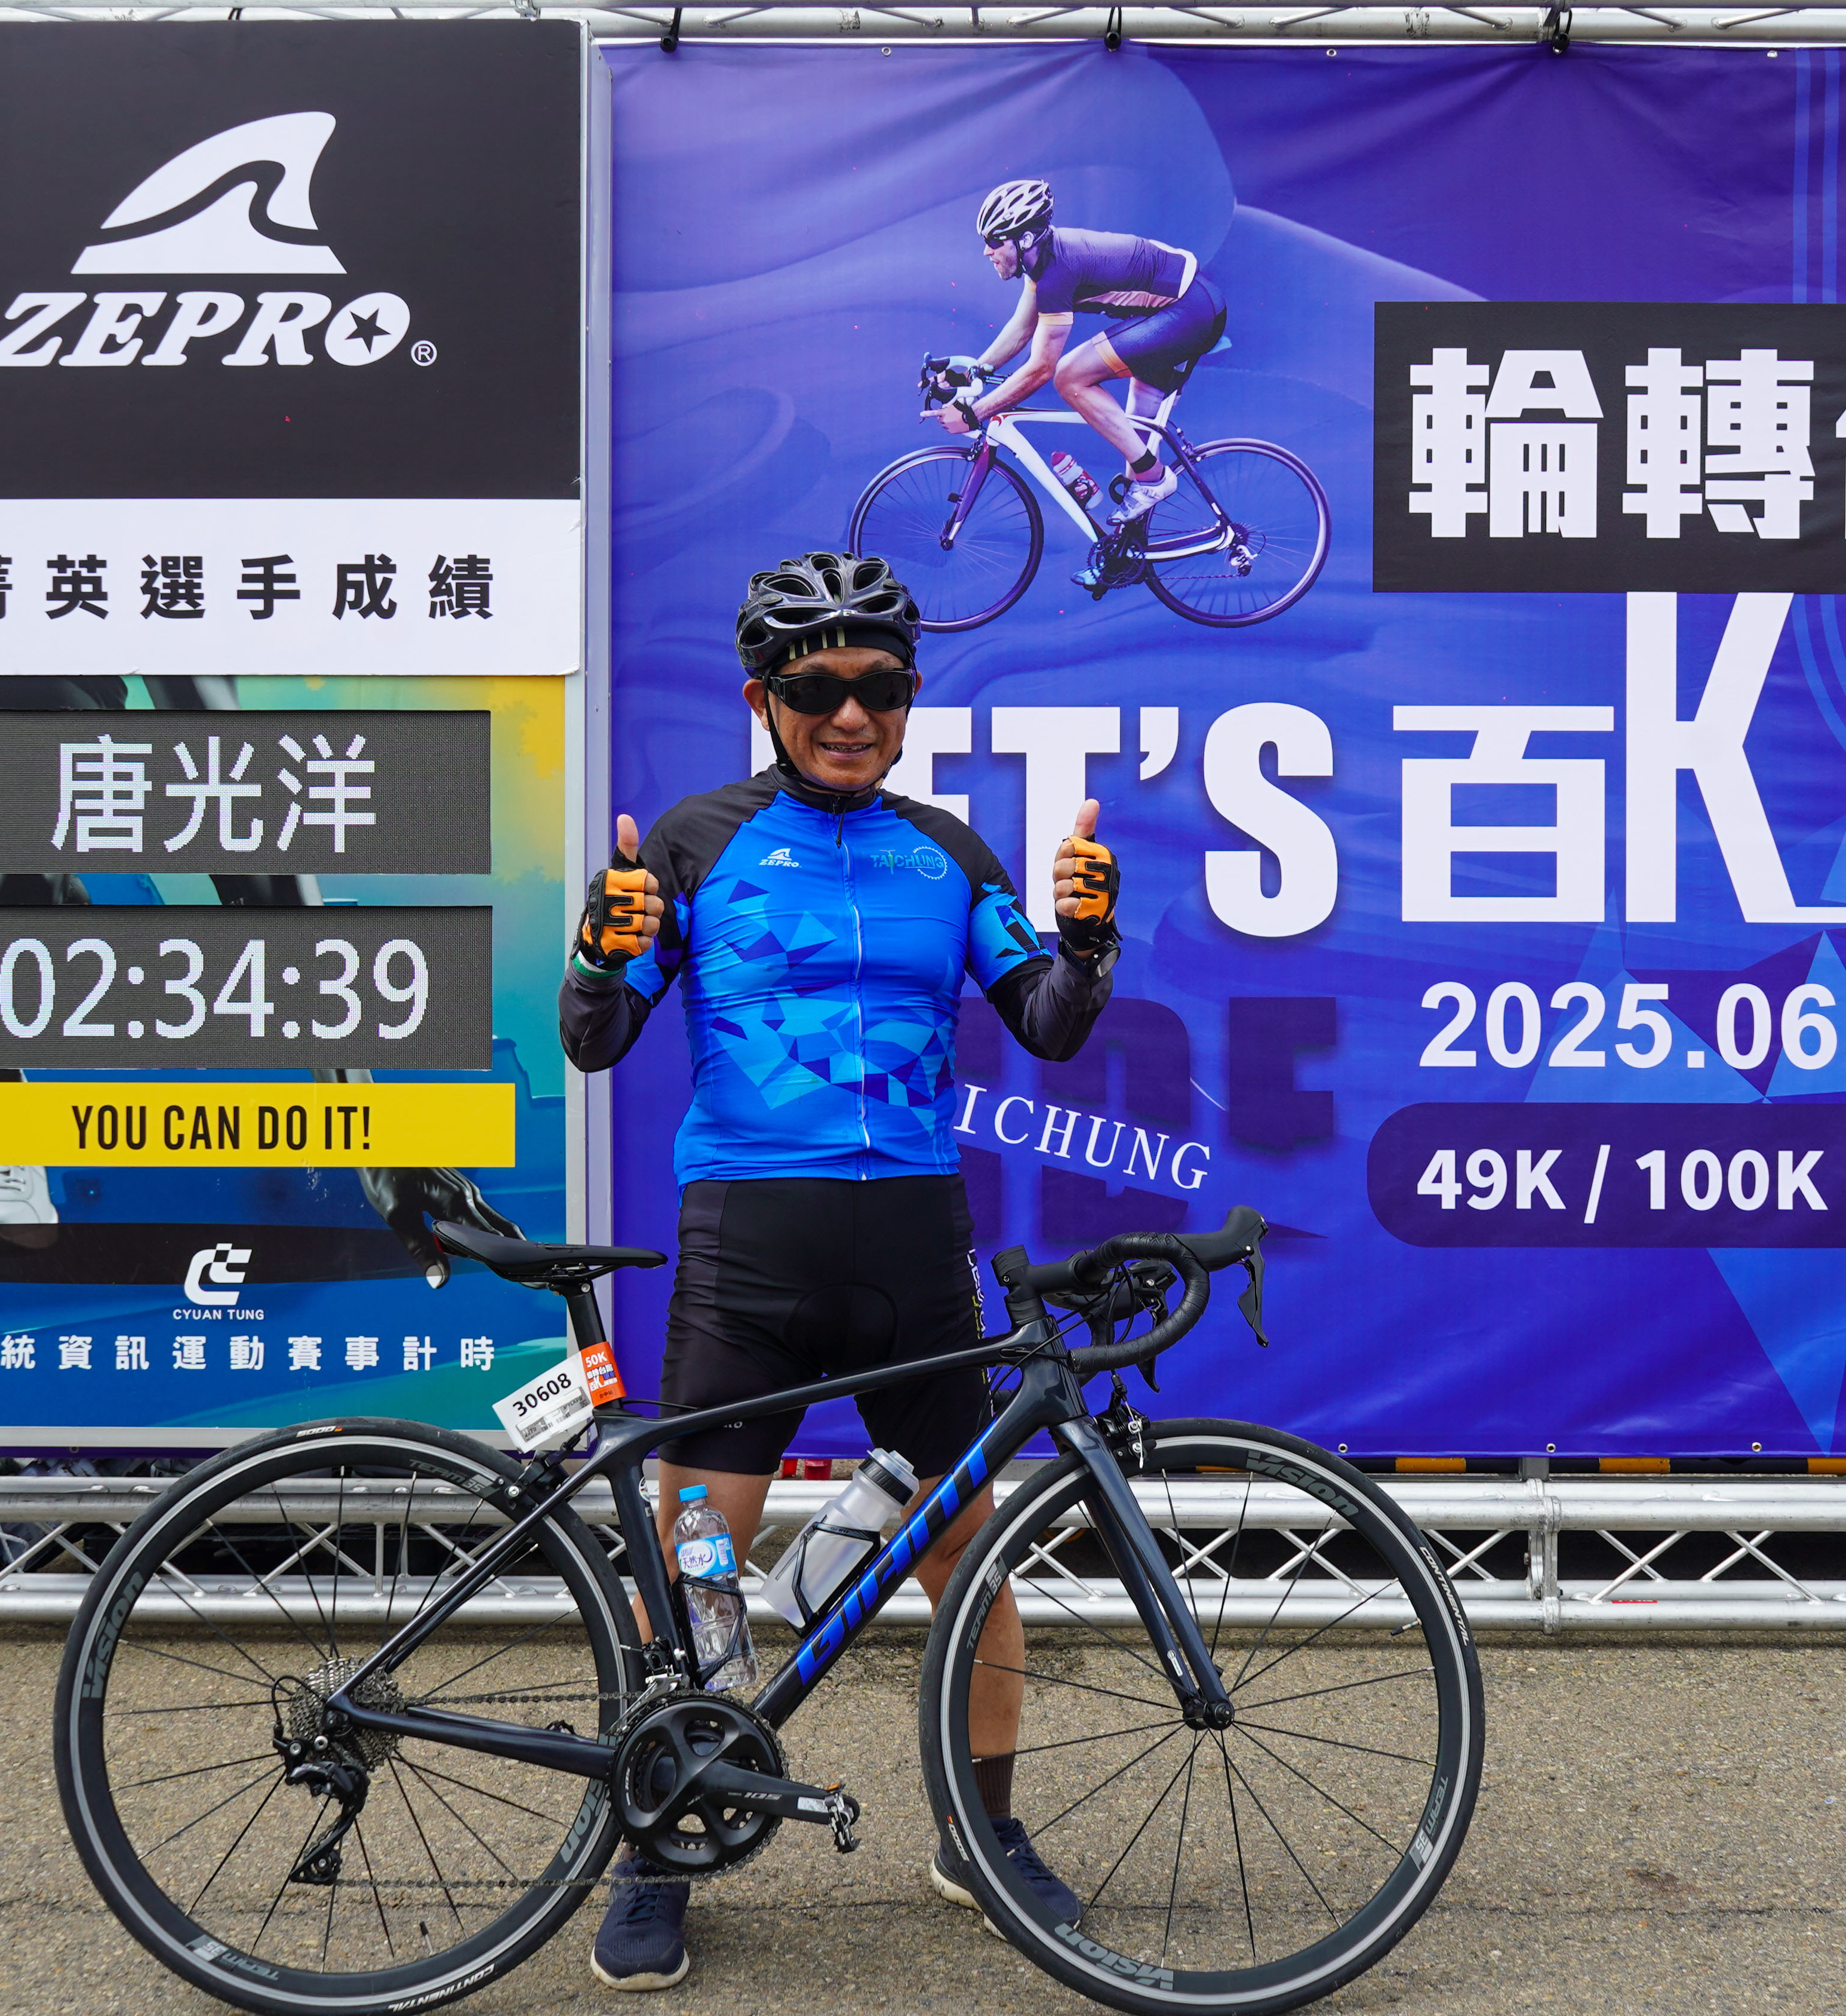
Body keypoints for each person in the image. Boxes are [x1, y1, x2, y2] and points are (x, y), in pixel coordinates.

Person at [561, 550, 1122, 1992]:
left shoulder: (950, 850)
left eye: (880, 686)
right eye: (817, 688)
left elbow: (1049, 1022)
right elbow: (595, 1038)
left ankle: (982, 1837)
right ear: (764, 697)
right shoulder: (694, 841)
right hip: (748, 1245)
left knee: (968, 1556)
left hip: (912, 1250)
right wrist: (600, 950)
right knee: (697, 1563)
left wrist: (1089, 938)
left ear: (910, 695)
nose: (852, 714)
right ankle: (659, 1845)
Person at [937, 177, 1226, 578]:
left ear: (1024, 239)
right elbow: (1021, 329)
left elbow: (1041, 369)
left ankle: (1155, 477)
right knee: (1134, 440)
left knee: (1070, 376)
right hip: (1179, 309)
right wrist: (973, 371)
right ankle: (1126, 558)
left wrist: (975, 413)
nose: (987, 251)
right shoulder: (1042, 262)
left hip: (1187, 312)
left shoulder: (1057, 272)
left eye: (995, 241)